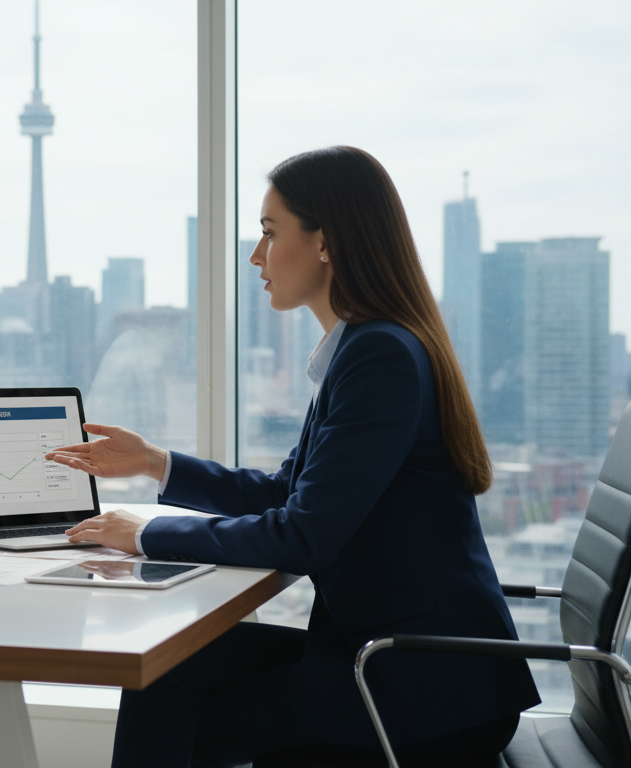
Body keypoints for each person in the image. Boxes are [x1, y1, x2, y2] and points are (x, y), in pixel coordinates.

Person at [47, 146, 540, 767]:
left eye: (269, 232)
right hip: (388, 657)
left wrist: (147, 536)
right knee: (166, 672)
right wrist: (155, 462)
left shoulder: (379, 356)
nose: (256, 256)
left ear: (326, 243)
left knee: (181, 710)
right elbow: (287, 493)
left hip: (421, 686)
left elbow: (302, 536)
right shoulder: (365, 345)